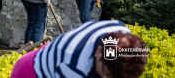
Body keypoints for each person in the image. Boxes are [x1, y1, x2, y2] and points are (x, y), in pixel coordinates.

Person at [11, 20, 148, 78]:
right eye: (106, 74)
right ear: (98, 52)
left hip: (59, 51)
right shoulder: (74, 67)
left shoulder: (121, 32)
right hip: (31, 71)